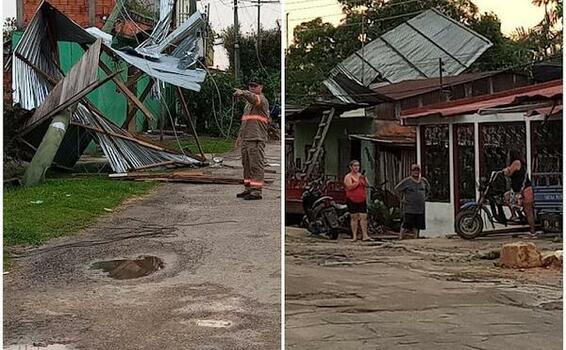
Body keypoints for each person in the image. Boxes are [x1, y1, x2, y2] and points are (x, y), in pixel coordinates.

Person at [234, 79, 270, 200]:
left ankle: (256, 191)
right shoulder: (248, 105)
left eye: (255, 86)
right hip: (247, 138)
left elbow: (254, 99)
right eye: (250, 86)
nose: (252, 88)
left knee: (256, 165)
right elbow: (245, 121)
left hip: (256, 138)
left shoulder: (261, 100)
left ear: (261, 87)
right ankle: (248, 188)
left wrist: (243, 93)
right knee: (247, 165)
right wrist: (240, 136)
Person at [503, 149, 536, 236]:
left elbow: (509, 173)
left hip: (524, 190)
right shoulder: (519, 162)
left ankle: (533, 232)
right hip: (518, 190)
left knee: (528, 211)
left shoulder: (516, 162)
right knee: (506, 197)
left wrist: (506, 170)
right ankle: (515, 214)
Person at [394, 164, 430, 239]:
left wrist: (425, 197)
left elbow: (428, 190)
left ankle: (415, 238)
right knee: (406, 223)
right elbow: (396, 189)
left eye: (417, 170)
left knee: (417, 225)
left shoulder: (423, 181)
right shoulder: (407, 181)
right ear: (411, 171)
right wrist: (401, 199)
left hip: (420, 208)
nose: (416, 172)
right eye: (414, 170)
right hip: (409, 207)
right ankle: (400, 237)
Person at [343, 160, 372, 241]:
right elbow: (349, 187)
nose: (356, 167)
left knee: (364, 217)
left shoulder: (361, 175)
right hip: (352, 199)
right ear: (351, 167)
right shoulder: (348, 176)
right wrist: (358, 181)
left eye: (358, 165)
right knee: (354, 217)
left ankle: (365, 235)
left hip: (362, 199)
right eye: (355, 166)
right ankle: (354, 236)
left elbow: (368, 185)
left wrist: (364, 179)